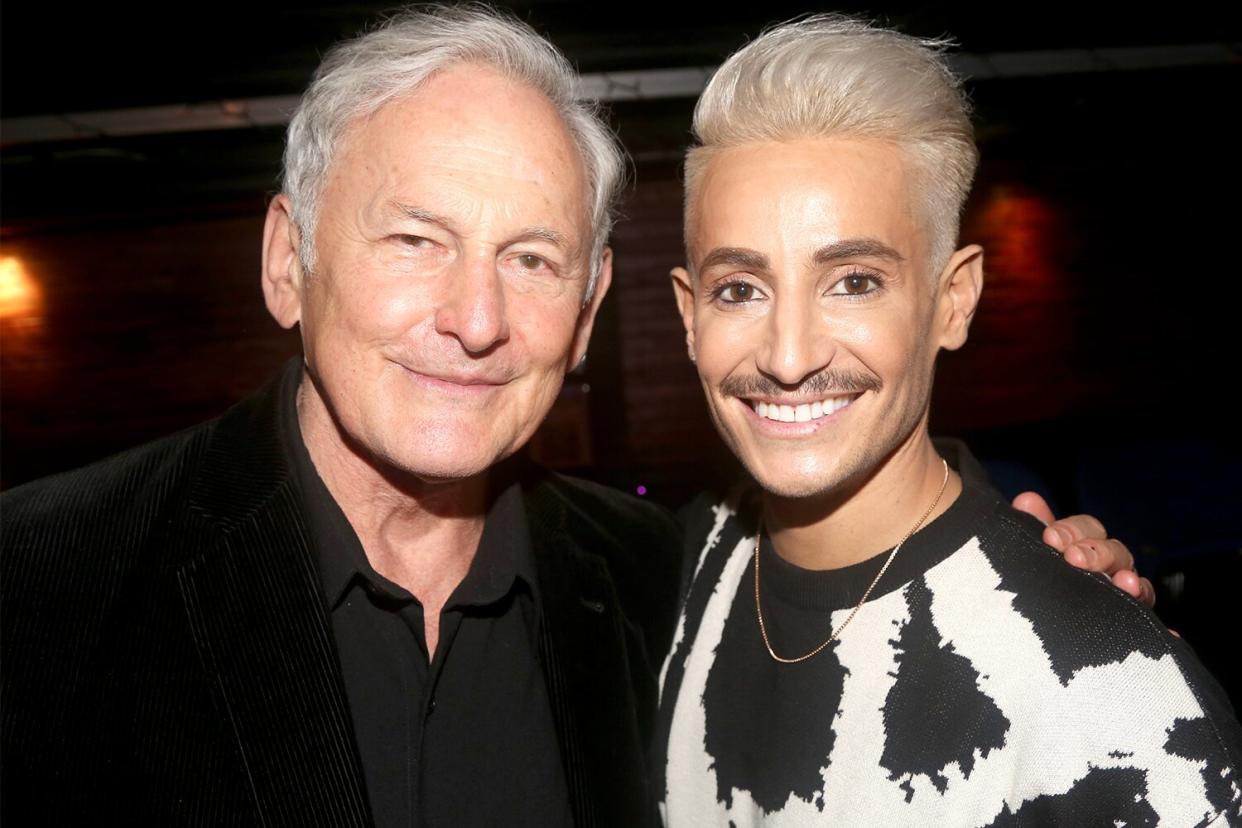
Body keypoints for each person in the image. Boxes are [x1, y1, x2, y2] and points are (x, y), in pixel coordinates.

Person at [1, 6, 1145, 827]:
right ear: (286, 262)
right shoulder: (44, 583)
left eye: (532, 258)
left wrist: (1044, 584)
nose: (476, 318)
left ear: (590, 311)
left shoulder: (674, 588)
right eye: (416, 240)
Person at [657, 14, 1242, 826]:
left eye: (854, 281)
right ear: (690, 317)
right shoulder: (668, 569)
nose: (788, 357)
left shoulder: (1106, 694)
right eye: (740, 289)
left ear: (952, 300)